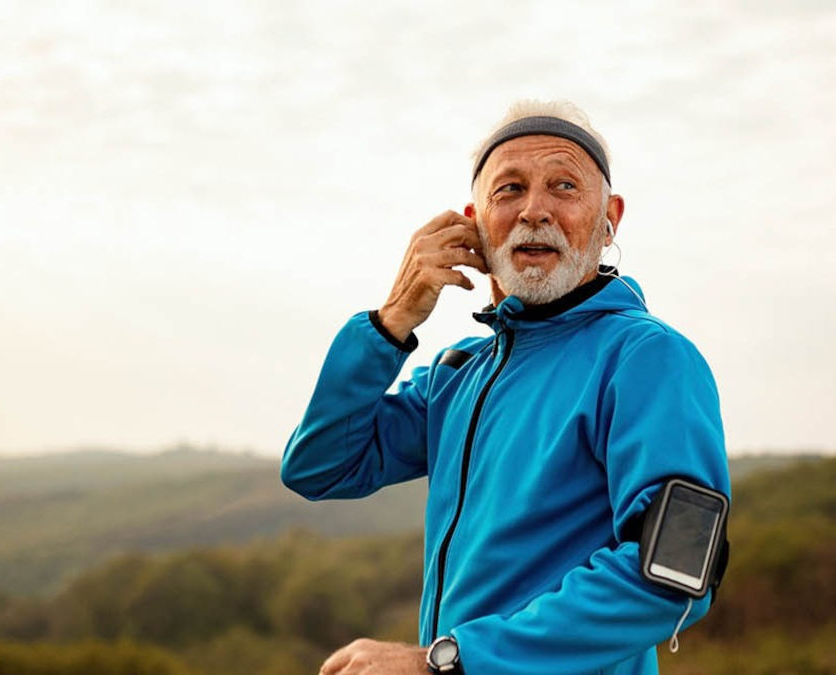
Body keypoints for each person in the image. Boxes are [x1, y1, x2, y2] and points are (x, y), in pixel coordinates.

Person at [281, 100, 729, 675]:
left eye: (564, 186)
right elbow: (320, 467)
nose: (534, 210)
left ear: (610, 218)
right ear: (474, 222)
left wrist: (447, 662)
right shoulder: (458, 374)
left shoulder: (648, 359)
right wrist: (391, 321)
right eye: (509, 190)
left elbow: (674, 571)